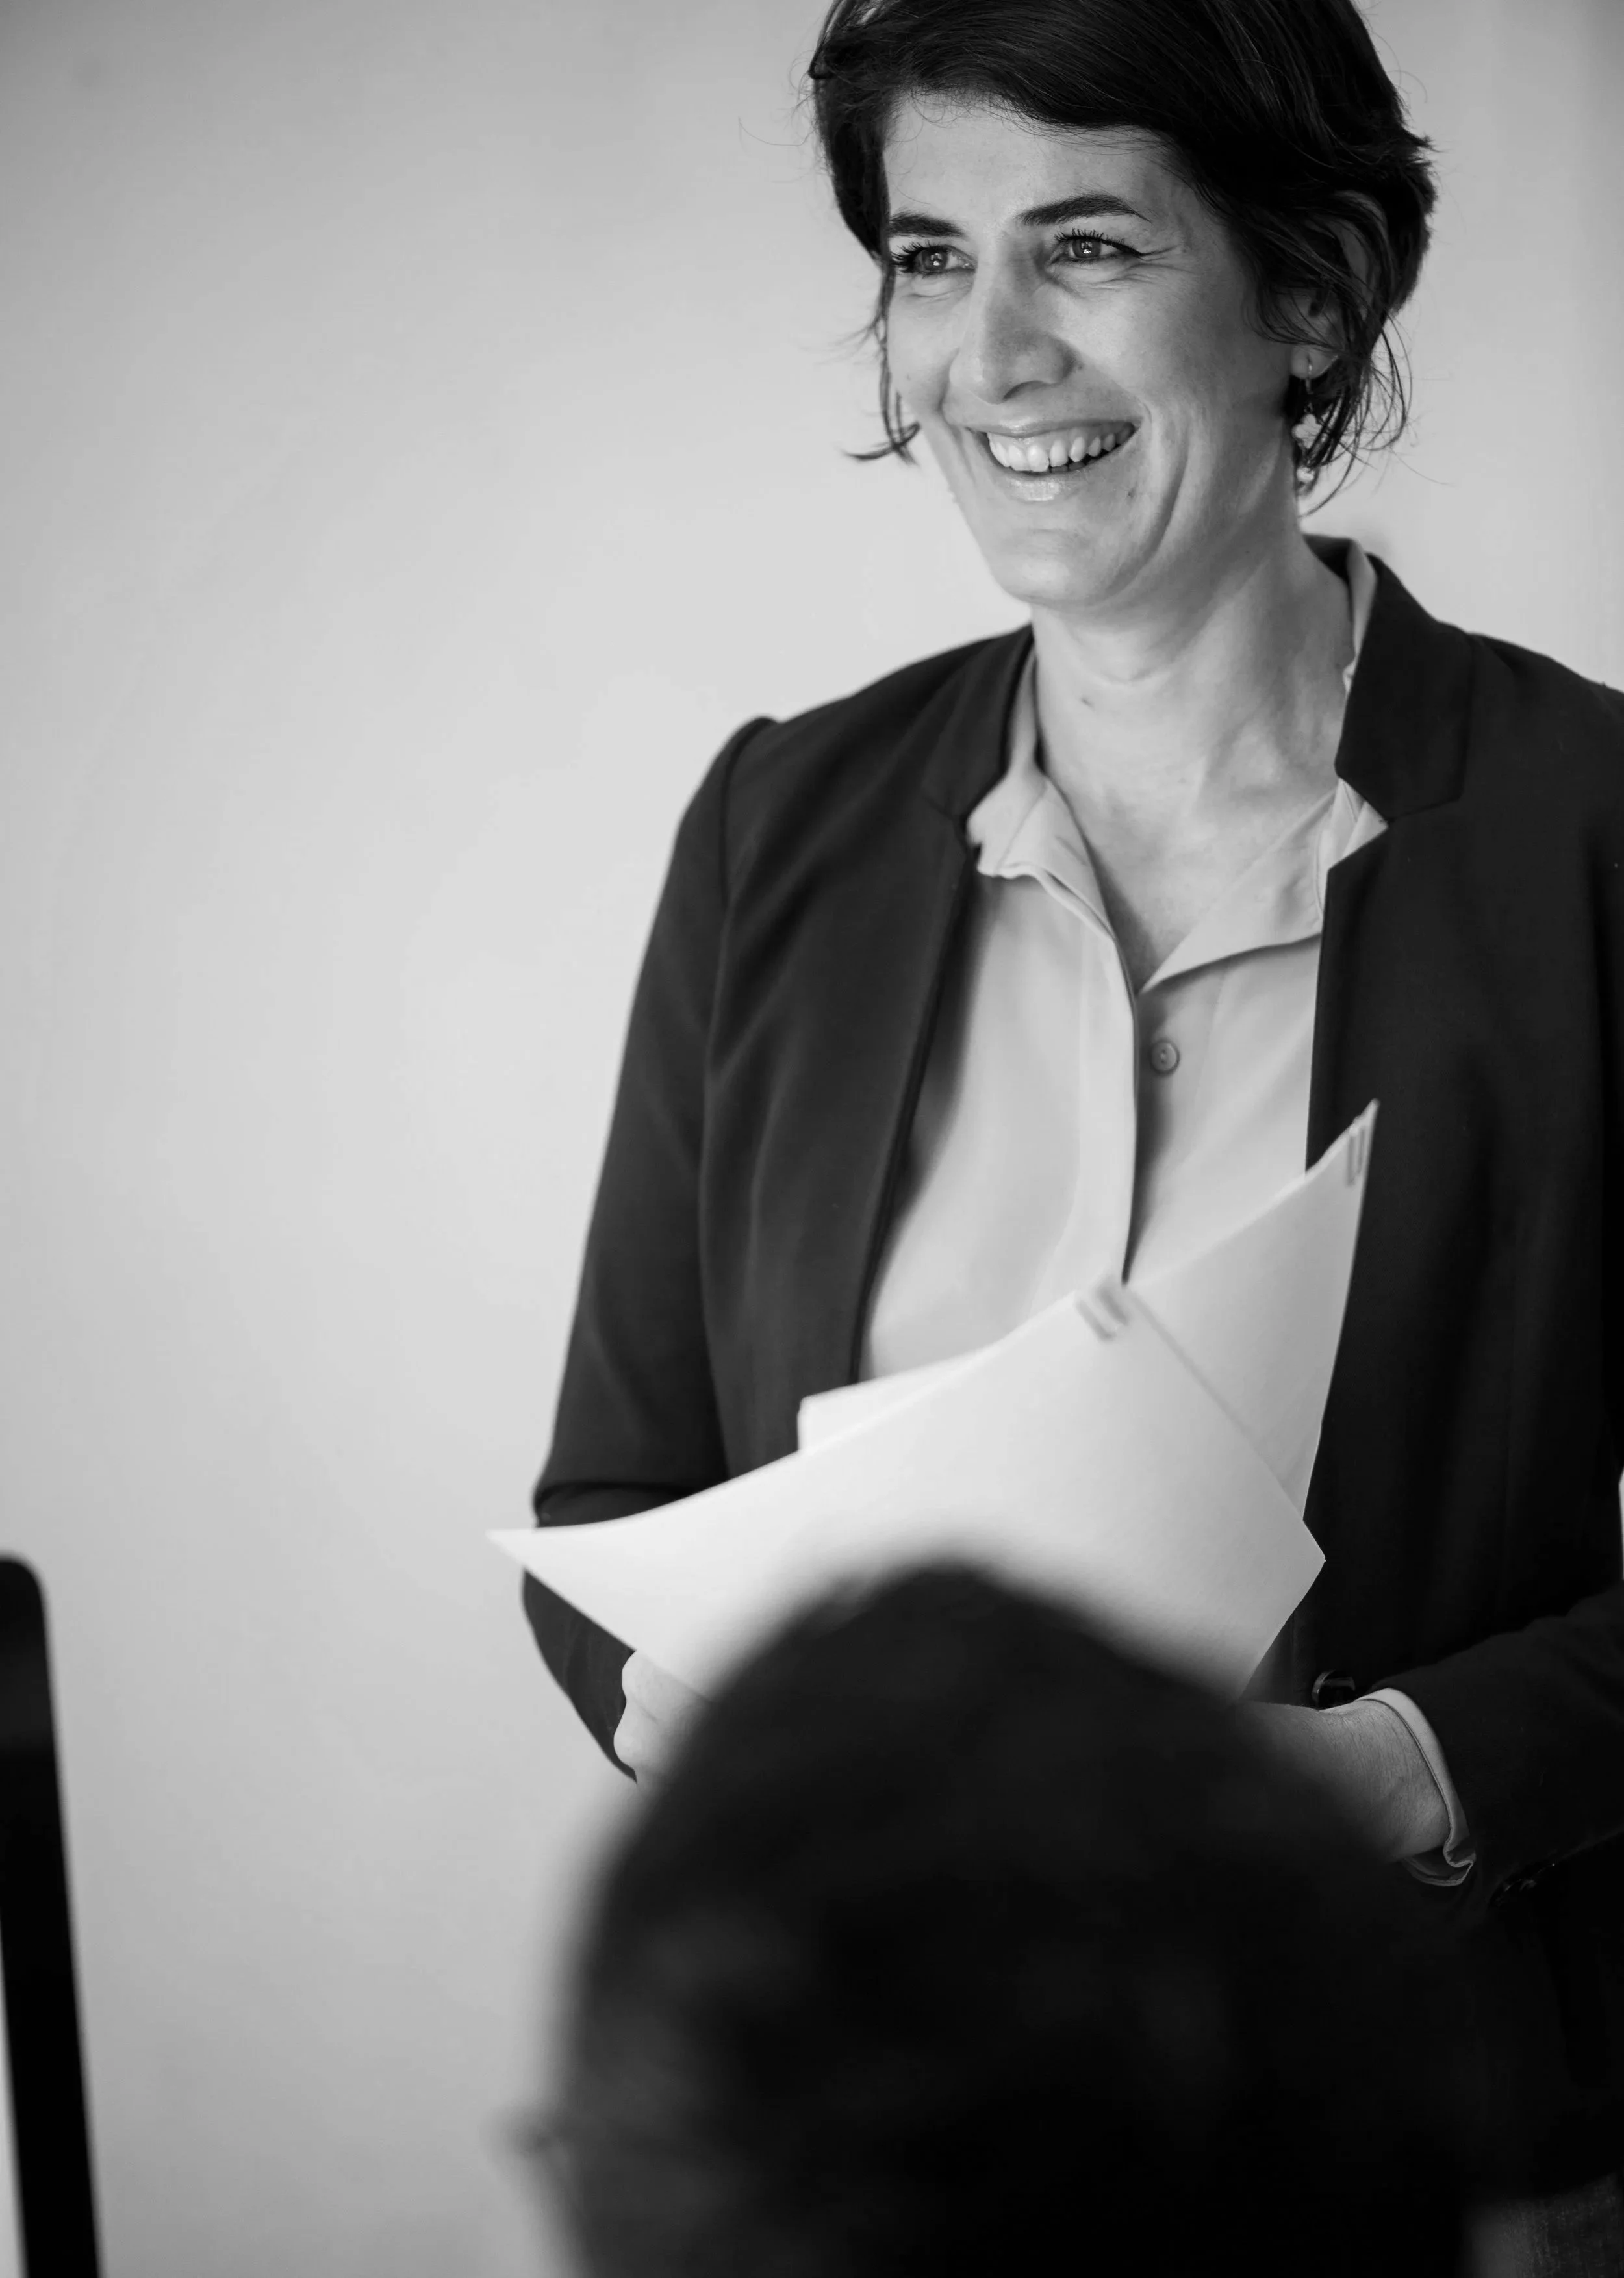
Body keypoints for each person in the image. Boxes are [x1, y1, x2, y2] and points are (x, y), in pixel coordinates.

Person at [525, 0, 1624, 2245]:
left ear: (1309, 290)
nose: (992, 351)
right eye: (934, 257)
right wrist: (750, 1746)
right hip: (869, 2157)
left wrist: (1395, 1778)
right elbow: (616, 1505)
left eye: (1088, 245)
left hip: (1443, 2146)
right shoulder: (778, 823)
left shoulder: (1598, 834)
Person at [548, 1564, 1482, 2278]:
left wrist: (1397, 1759)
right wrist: (683, 1697)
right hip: (806, 2028)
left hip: (1284, 2035)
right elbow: (597, 1510)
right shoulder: (725, 2114)